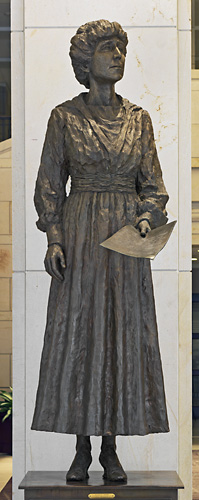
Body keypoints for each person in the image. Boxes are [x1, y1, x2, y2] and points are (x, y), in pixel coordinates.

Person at [31, 19, 169, 482]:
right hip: (82, 234)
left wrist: (148, 215)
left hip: (126, 239)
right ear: (86, 62)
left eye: (121, 50)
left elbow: (153, 185)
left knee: (121, 336)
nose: (117, 57)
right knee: (80, 335)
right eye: (109, 50)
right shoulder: (64, 117)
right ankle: (80, 446)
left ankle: (111, 448)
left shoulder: (139, 120)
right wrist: (54, 237)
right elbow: (49, 185)